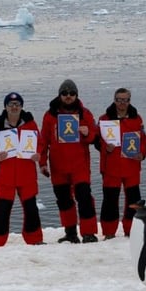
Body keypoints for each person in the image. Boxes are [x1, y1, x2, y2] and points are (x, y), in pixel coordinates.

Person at [38, 78, 99, 244]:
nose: (68, 96)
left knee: (85, 198)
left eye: (72, 93)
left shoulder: (84, 113)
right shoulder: (50, 115)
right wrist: (42, 163)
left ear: (76, 95)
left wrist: (87, 133)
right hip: (58, 167)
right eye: (64, 93)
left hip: (80, 166)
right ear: (59, 95)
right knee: (64, 201)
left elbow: (94, 136)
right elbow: (43, 140)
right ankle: (70, 232)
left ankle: (89, 233)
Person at [0, 92, 44, 247]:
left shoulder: (30, 124)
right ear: (5, 107)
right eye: (11, 104)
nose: (14, 107)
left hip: (27, 174)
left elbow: (40, 144)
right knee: (2, 210)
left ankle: (35, 240)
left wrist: (38, 155)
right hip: (5, 176)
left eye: (17, 104)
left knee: (31, 209)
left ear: (22, 106)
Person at [97, 87, 146, 238]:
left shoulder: (136, 119)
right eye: (119, 100)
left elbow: (143, 140)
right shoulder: (104, 119)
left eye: (125, 100)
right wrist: (106, 147)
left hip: (131, 165)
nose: (122, 103)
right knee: (110, 201)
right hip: (111, 166)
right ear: (114, 100)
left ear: (129, 101)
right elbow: (97, 140)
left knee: (133, 201)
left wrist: (142, 153)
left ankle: (131, 230)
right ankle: (109, 232)